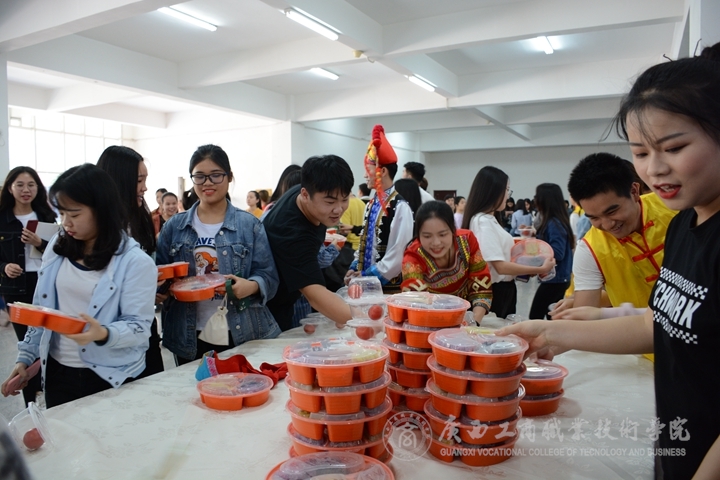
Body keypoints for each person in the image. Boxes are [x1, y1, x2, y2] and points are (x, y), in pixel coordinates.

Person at [500, 42, 720, 480]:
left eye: (674, 147)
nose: (655, 169)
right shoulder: (684, 225)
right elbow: (657, 324)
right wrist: (550, 331)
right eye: (641, 153)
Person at [0, 164, 156, 408]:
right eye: (62, 213)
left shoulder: (135, 262)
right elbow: (42, 310)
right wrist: (26, 357)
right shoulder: (57, 246)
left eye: (74, 214)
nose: (66, 223)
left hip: (110, 376)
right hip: (58, 372)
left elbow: (139, 327)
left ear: (102, 210)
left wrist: (103, 333)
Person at [156, 145, 279, 363]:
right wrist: (160, 289)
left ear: (229, 177)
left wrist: (250, 286)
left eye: (216, 175)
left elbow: (269, 276)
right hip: (188, 333)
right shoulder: (174, 227)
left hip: (240, 329)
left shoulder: (249, 225)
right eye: (200, 176)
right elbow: (162, 275)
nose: (207, 183)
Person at [549, 153, 676, 317]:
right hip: (639, 332)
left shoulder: (674, 208)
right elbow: (582, 319)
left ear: (634, 191)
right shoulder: (591, 249)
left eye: (612, 211)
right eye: (594, 218)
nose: (608, 225)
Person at [263, 155, 354, 331]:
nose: (338, 209)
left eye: (344, 199)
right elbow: (315, 295)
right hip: (269, 310)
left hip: (288, 296)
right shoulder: (291, 232)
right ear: (305, 195)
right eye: (330, 202)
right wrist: (367, 321)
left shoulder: (306, 195)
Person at [96, 145, 164, 377]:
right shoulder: (94, 228)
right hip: (109, 331)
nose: (145, 187)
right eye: (138, 180)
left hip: (143, 326)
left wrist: (153, 287)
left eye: (145, 180)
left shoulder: (140, 217)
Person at [463, 166, 555, 318]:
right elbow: (500, 267)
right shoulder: (483, 222)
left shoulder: (489, 219)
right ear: (493, 191)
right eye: (506, 190)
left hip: (503, 288)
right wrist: (539, 269)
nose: (508, 195)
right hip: (496, 290)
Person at [0, 167, 56, 406]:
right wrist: (4, 267)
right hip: (16, 288)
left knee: (50, 342)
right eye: (20, 185)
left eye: (31, 184)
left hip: (45, 284)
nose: (26, 190)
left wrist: (40, 242)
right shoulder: (2, 218)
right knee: (28, 345)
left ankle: (48, 395)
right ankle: (30, 403)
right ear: (10, 188)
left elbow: (61, 250)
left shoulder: (46, 215)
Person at [345, 125, 414, 291]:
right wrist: (354, 267)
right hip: (365, 283)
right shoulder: (371, 204)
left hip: (387, 288)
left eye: (368, 170)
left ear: (382, 171)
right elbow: (364, 244)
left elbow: (398, 254)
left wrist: (368, 275)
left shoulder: (400, 207)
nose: (364, 175)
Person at [402, 201, 492, 324]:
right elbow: (416, 302)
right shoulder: (413, 256)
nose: (436, 243)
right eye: (427, 236)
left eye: (442, 234)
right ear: (418, 235)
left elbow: (481, 287)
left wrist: (474, 324)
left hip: (467, 316)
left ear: (453, 230)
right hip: (429, 319)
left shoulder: (467, 240)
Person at [527, 184, 574, 319]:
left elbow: (558, 252)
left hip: (555, 279)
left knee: (536, 316)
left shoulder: (554, 223)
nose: (535, 200)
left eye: (537, 196)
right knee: (552, 315)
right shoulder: (554, 221)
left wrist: (535, 249)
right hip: (557, 278)